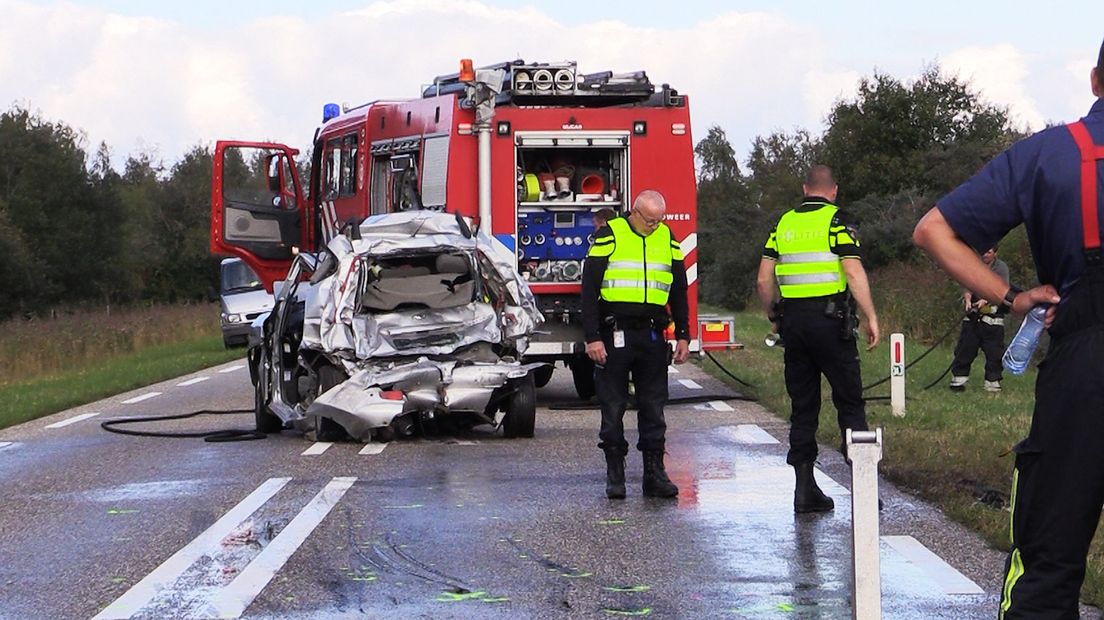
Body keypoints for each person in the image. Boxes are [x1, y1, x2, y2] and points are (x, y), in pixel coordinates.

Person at [912, 38, 1104, 619]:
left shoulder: (1051, 153)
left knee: (1046, 565)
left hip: (1084, 368)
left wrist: (1013, 297)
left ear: (1096, 79)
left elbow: (932, 230)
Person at [756, 165, 880, 513]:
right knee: (850, 403)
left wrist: (775, 315)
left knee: (803, 406)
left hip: (794, 324)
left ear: (804, 188)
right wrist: (871, 315)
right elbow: (853, 272)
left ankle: (804, 490)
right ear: (834, 191)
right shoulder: (839, 222)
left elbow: (764, 281)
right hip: (832, 324)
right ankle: (864, 490)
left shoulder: (783, 224)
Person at [582, 190, 691, 499]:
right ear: (634, 212)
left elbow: (679, 289)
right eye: (650, 220)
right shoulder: (610, 235)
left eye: (660, 220)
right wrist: (592, 337)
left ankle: (654, 474)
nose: (655, 226)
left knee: (654, 407)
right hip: (615, 334)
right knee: (613, 405)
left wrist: (683, 333)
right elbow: (589, 290)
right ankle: (615, 474)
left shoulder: (667, 238)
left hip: (653, 334)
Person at [949, 246, 1012, 392]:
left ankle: (992, 381)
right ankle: (959, 378)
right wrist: (967, 297)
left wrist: (986, 299)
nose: (985, 255)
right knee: (965, 347)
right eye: (983, 251)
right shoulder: (973, 264)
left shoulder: (1001, 268)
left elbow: (1002, 288)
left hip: (992, 317)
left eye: (989, 252)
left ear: (995, 253)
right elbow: (966, 281)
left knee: (994, 351)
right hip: (972, 316)